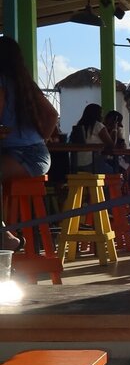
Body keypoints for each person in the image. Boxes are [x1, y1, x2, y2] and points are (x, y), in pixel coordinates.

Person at [0, 36, 59, 250]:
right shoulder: (25, 84)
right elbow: (52, 115)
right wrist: (41, 139)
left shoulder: (2, 82)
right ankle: (5, 235)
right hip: (38, 154)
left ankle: (5, 237)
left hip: (23, 155)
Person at [70, 103, 114, 172]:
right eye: (101, 114)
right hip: (91, 163)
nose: (102, 116)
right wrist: (115, 130)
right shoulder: (98, 125)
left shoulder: (79, 125)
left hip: (75, 163)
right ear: (97, 114)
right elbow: (111, 144)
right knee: (112, 170)